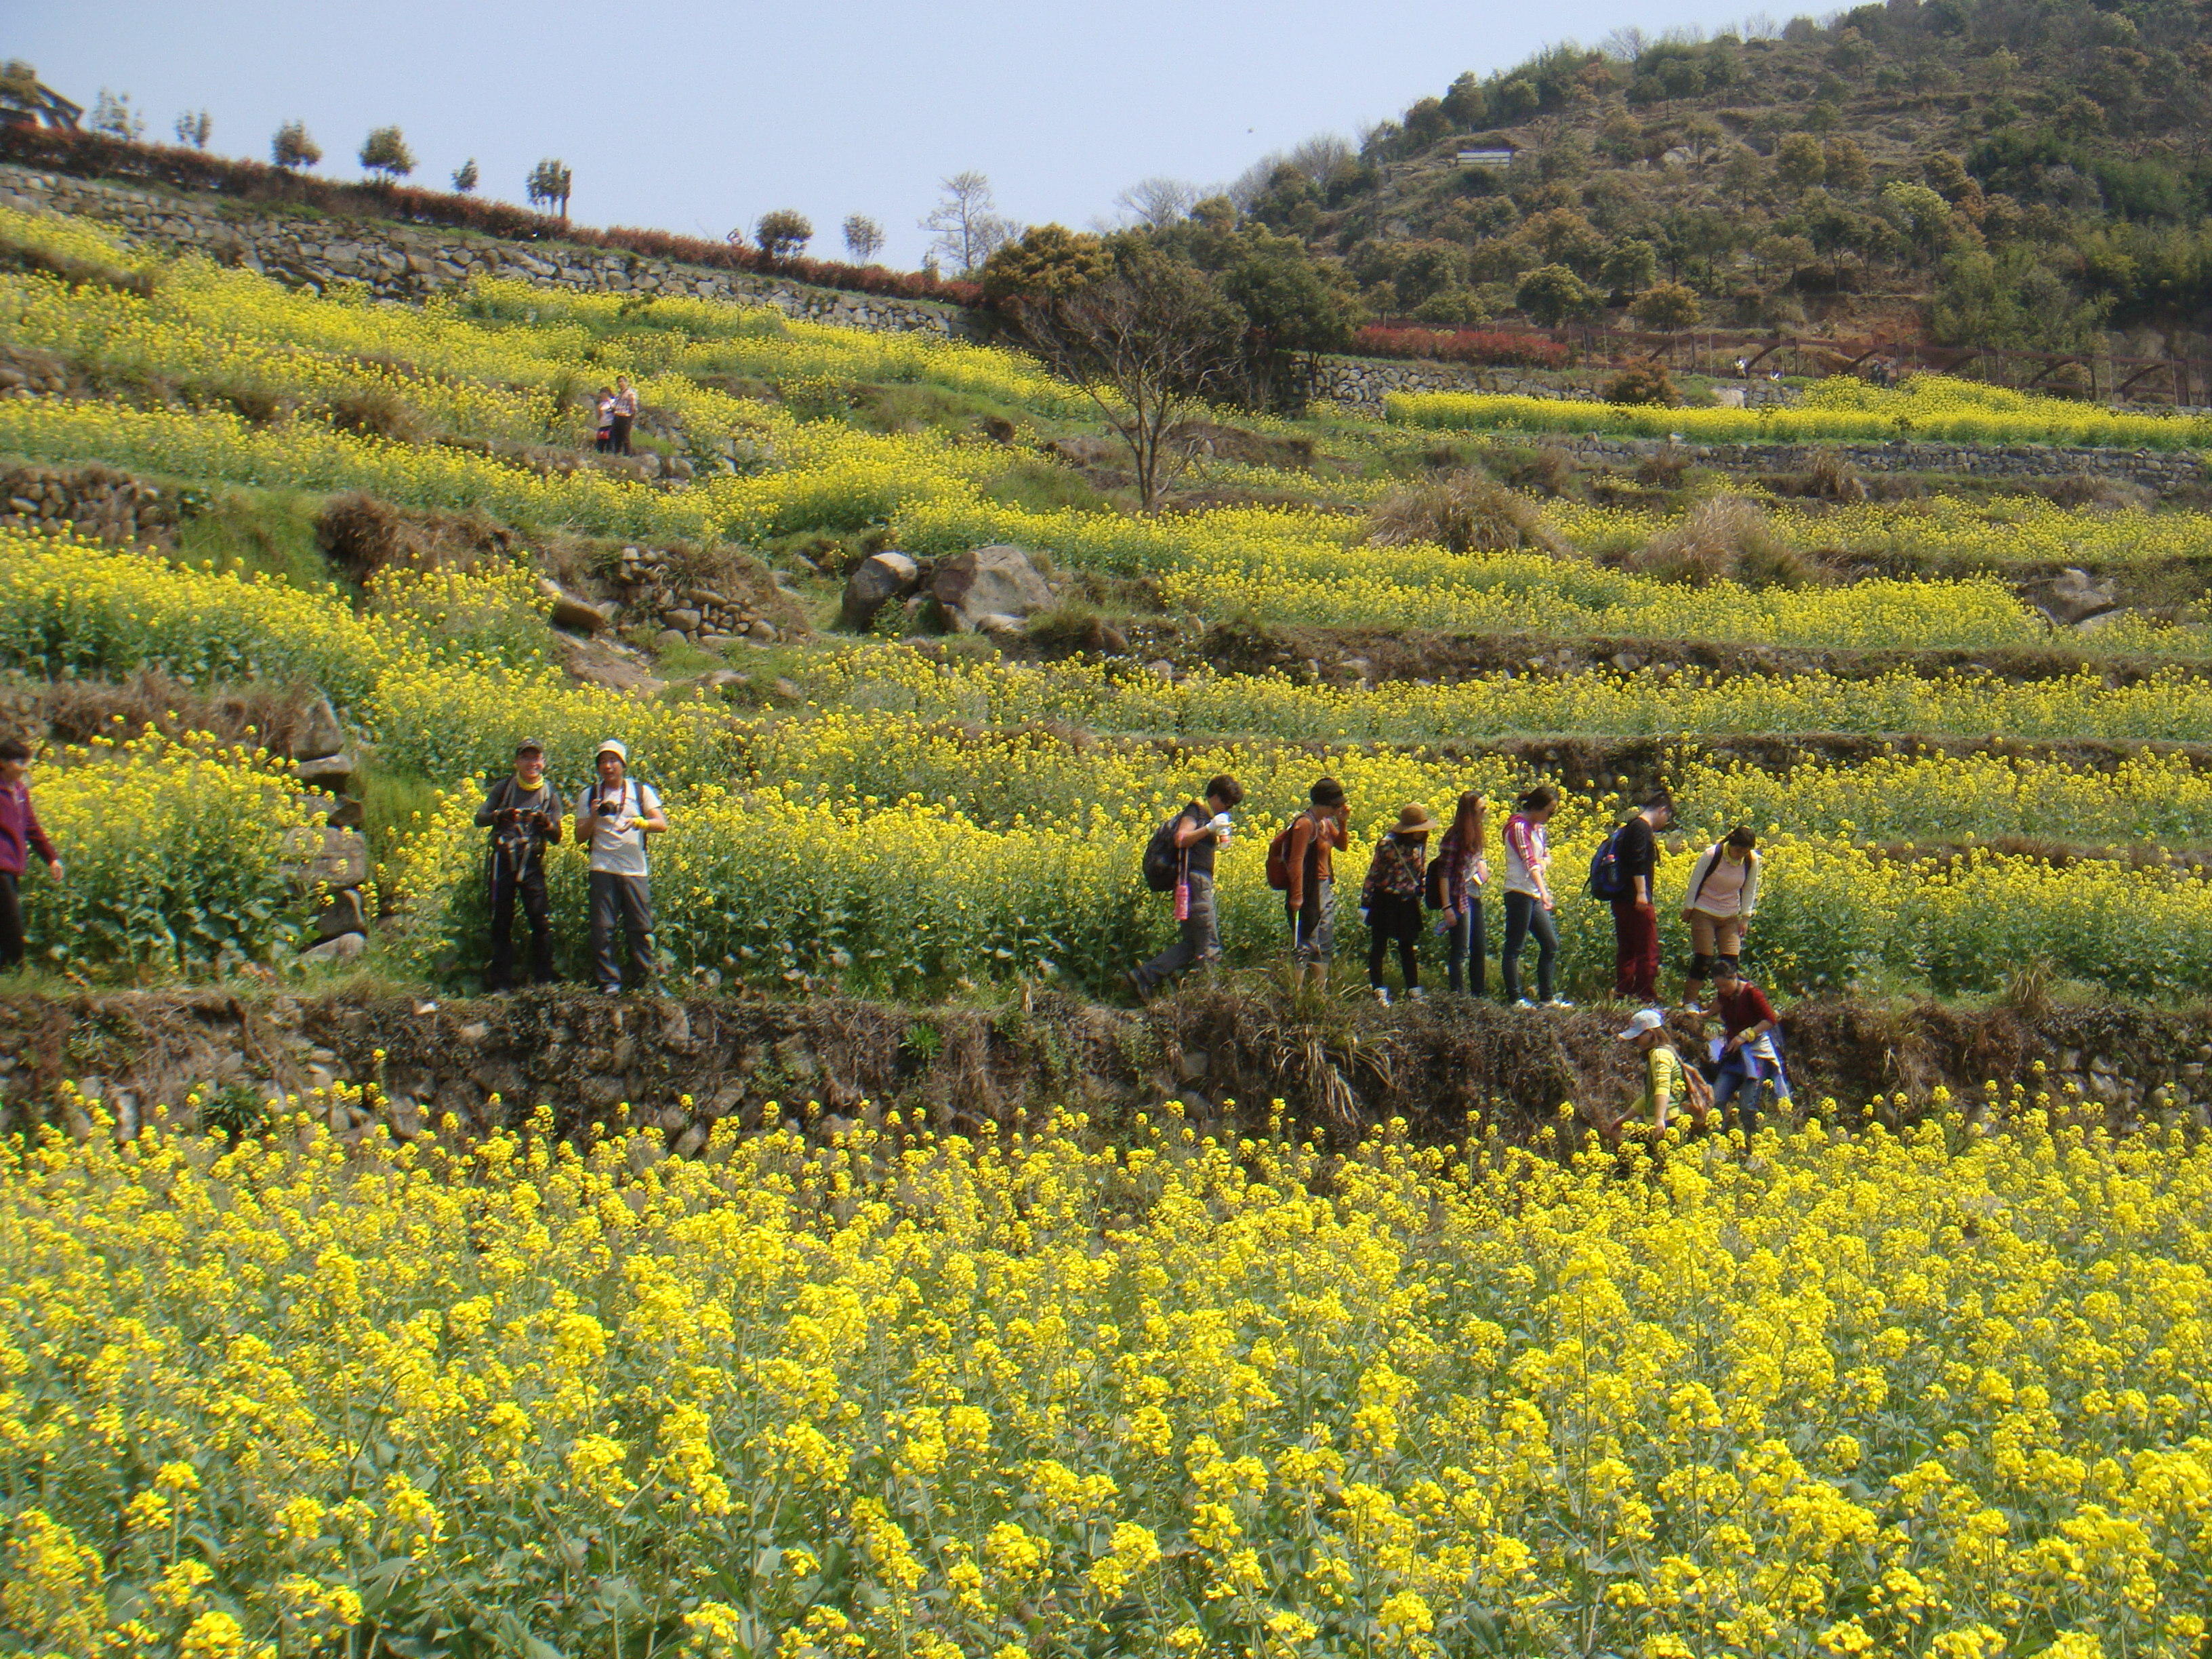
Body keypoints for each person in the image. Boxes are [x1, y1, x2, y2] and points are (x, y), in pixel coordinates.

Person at [1130, 774, 1242, 1000]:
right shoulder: (1196, 811)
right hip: (1194, 883)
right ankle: (1211, 999)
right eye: (1226, 802)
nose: (1228, 808)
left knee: (1192, 944)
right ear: (1214, 796)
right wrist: (1209, 827)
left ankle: (1145, 976)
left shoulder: (1209, 815)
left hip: (1197, 883)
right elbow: (1181, 839)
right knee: (1208, 944)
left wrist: (1218, 832)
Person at [573, 739, 668, 994]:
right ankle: (609, 982)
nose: (608, 766)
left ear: (623, 764)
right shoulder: (589, 795)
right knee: (603, 928)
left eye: (613, 760)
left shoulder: (641, 791)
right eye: (603, 761)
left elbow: (662, 823)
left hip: (635, 869)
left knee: (641, 927)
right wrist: (595, 814)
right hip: (602, 867)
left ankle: (645, 980)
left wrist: (640, 822)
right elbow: (580, 836)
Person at [474, 738, 563, 991]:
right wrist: (500, 815)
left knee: (541, 921)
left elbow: (557, 837)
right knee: (502, 921)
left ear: (543, 763)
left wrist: (545, 823)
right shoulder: (504, 788)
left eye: (536, 758)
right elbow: (479, 818)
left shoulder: (550, 794)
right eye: (526, 758)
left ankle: (543, 978)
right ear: (517, 762)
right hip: (503, 862)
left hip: (532, 864)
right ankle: (501, 980)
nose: (531, 763)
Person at [1501, 786, 1568, 1009]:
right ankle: (1515, 998)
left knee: (1550, 944)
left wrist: (1543, 869)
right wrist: (1545, 892)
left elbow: (1545, 857)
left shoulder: (1539, 830)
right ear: (1538, 807)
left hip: (1534, 892)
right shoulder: (1518, 827)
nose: (1551, 816)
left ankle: (1547, 998)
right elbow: (1530, 862)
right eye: (1550, 811)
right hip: (1518, 892)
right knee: (1515, 947)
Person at [1681, 825, 1761, 1012]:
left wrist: (1746, 917)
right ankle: (1689, 1001)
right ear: (1730, 844)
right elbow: (1695, 882)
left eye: (1745, 851)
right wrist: (1688, 908)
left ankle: (1725, 1005)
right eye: (1738, 850)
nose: (1741, 855)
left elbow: (1750, 888)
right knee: (1705, 958)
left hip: (1730, 914)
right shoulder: (1712, 855)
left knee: (1731, 963)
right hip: (1704, 910)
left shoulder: (1752, 860)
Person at [1361, 803, 1435, 1005]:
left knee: (1407, 946)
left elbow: (1421, 873)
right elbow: (1374, 872)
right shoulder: (1387, 844)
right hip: (1385, 900)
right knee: (1379, 946)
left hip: (1408, 901)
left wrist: (1422, 890)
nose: (1423, 833)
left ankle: (1413, 989)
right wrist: (1365, 902)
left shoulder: (1420, 844)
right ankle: (1378, 988)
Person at [0, 737, 62, 973]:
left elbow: (32, 828)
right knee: (12, 921)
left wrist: (51, 858)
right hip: (1, 865)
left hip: (13, 864)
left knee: (5, 919)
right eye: (19, 761)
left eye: (25, 762)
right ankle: (16, 969)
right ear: (3, 763)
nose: (24, 767)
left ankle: (7, 971)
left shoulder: (19, 791)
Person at [1709, 958, 1792, 1134]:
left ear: (1735, 978)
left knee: (1747, 1106)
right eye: (1718, 987)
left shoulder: (1753, 994)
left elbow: (1770, 1020)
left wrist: (1746, 1035)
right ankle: (1718, 1143)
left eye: (1724, 986)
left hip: (1755, 1055)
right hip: (1734, 1056)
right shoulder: (1724, 996)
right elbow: (1715, 1007)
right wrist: (1702, 1014)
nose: (1722, 990)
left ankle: (1753, 1147)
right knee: (1716, 1100)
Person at [1609, 793, 1674, 1005]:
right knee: (1647, 949)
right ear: (1663, 810)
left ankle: (1625, 993)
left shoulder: (1631, 826)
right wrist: (1642, 892)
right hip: (1635, 900)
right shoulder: (1640, 828)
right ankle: (1645, 995)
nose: (1666, 823)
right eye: (1668, 817)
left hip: (1622, 898)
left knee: (1628, 948)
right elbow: (1637, 861)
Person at [1284, 777, 1349, 991]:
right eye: (1334, 805)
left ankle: (1319, 995)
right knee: (1305, 942)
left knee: (1324, 943)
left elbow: (1342, 846)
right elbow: (1296, 862)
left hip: (1324, 887)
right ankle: (1298, 995)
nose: (1337, 808)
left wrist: (1343, 822)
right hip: (1309, 889)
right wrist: (1296, 895)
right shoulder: (1305, 824)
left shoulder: (1325, 823)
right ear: (1323, 803)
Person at [1604, 1006, 1693, 1145]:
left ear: (1650, 1033)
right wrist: (1624, 1118)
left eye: (1638, 1036)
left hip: (1667, 1122)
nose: (1635, 1041)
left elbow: (1662, 1088)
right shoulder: (1666, 1050)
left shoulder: (1659, 1055)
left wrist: (1659, 1120)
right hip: (1668, 1119)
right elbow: (1651, 1095)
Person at [1435, 791, 1489, 997]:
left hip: (1474, 893)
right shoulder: (1454, 835)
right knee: (1461, 950)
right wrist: (1447, 906)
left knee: (1479, 948)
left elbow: (1477, 859)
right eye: (1481, 809)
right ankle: (1457, 997)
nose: (1485, 813)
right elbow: (1444, 873)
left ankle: (1478, 995)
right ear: (1469, 812)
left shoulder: (1476, 832)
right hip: (1458, 897)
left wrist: (1483, 867)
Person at [609, 376, 639, 457]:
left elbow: (634, 408)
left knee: (625, 437)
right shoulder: (619, 394)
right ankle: (617, 454)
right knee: (616, 437)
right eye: (619, 382)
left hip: (625, 417)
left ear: (626, 382)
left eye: (622, 381)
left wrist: (630, 418)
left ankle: (627, 455)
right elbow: (615, 405)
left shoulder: (630, 393)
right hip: (617, 416)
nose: (620, 384)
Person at [592, 386, 616, 453]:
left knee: (610, 444)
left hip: (611, 425)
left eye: (603, 394)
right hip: (602, 425)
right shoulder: (601, 404)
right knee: (600, 444)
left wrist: (609, 403)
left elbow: (615, 411)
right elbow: (598, 417)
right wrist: (599, 409)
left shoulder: (613, 401)